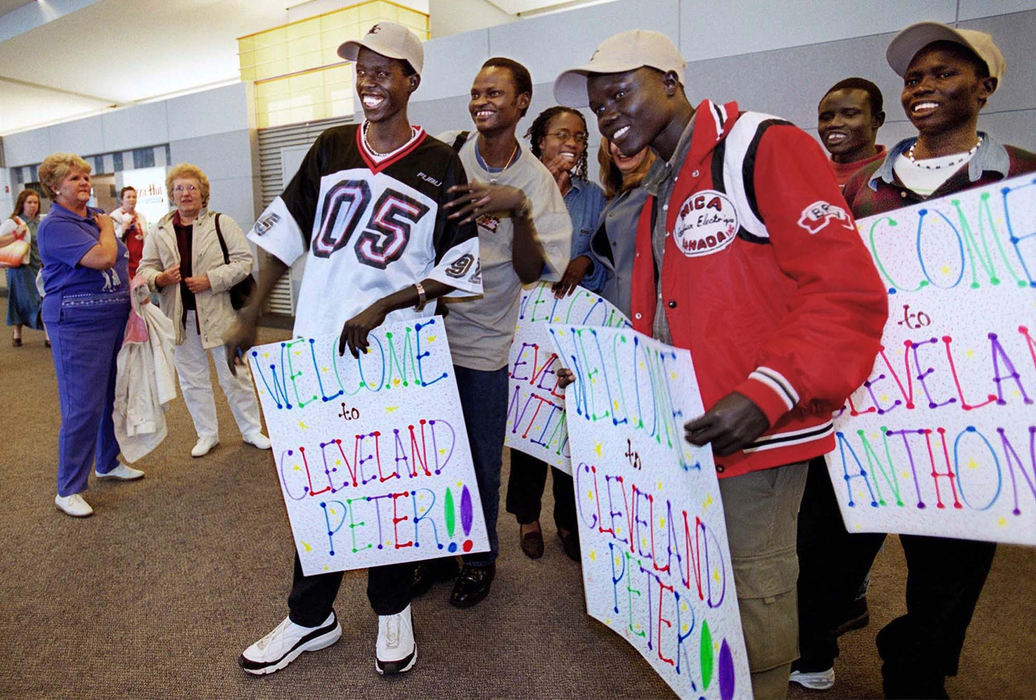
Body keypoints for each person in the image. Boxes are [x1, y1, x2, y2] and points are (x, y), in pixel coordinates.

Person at [554, 30, 888, 699]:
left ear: (672, 83)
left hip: (757, 432)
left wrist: (767, 391)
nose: (608, 113)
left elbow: (847, 294)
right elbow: (656, 315)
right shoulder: (655, 184)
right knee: (694, 592)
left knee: (750, 597)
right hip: (680, 434)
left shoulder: (763, 146)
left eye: (620, 92)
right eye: (597, 105)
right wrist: (602, 372)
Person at [229, 22, 481, 677]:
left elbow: (461, 267)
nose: (370, 79)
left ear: (411, 81)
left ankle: (392, 606)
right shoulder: (331, 147)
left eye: (385, 69)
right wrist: (252, 312)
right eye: (362, 68)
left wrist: (391, 301)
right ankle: (311, 617)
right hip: (318, 350)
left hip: (396, 358)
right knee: (318, 484)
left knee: (389, 483)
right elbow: (284, 237)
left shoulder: (440, 164)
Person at [832, 23, 1034, 698]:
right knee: (832, 552)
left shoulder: (1026, 178)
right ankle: (822, 633)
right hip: (870, 401)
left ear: (986, 85)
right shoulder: (861, 189)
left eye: (945, 74)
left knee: (951, 571)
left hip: (978, 408)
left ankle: (914, 668)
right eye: (915, 77)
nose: (924, 87)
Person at [413, 58, 571, 607]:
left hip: (484, 345)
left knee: (479, 461)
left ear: (522, 101)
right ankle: (436, 552)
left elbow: (534, 271)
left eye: (496, 92)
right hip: (427, 336)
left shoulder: (536, 181)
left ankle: (479, 560)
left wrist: (518, 210)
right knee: (432, 454)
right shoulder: (449, 157)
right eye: (477, 91)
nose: (483, 100)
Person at [505, 105, 606, 562]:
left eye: (580, 136)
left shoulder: (594, 197)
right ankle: (528, 518)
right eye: (561, 134)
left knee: (570, 425)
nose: (572, 142)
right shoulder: (515, 187)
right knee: (530, 421)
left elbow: (608, 256)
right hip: (524, 327)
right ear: (539, 139)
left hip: (573, 330)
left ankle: (568, 519)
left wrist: (588, 263)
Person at [37, 153, 145, 518]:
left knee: (109, 397)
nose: (84, 182)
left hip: (111, 319)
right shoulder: (57, 225)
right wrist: (105, 230)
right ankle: (67, 488)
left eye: (85, 176)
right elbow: (102, 258)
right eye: (74, 178)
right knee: (82, 405)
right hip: (77, 326)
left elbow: (119, 261)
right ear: (55, 187)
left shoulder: (93, 216)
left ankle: (107, 461)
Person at [137, 164, 269, 458]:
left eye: (192, 188)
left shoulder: (222, 223)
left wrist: (211, 280)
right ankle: (207, 434)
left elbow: (243, 260)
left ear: (203, 194)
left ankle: (251, 430)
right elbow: (145, 268)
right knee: (192, 380)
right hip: (180, 318)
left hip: (220, 314)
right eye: (179, 189)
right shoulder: (159, 229)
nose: (185, 194)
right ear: (171, 195)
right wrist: (159, 279)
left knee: (235, 375)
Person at [588, 136, 654, 317]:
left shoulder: (656, 193)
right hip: (612, 315)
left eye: (633, 139)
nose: (622, 148)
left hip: (646, 314)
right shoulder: (613, 199)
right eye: (615, 140)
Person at [817, 77, 887, 188]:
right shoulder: (808, 179)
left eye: (849, 114)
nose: (834, 123)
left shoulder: (899, 171)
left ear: (877, 120)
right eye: (826, 118)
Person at [1, 189, 47, 346]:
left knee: (25, 300)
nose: (33, 205)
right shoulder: (13, 222)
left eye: (35, 202)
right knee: (34, 300)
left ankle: (17, 333)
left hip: (38, 265)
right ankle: (48, 334)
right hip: (19, 268)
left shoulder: (41, 221)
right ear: (22, 204)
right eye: (29, 202)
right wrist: (15, 234)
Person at [110, 186, 149, 279]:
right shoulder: (115, 217)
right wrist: (123, 230)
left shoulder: (141, 217)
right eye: (128, 197)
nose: (132, 199)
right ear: (122, 200)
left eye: (134, 197)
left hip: (140, 261)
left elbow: (145, 237)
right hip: (125, 262)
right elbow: (111, 240)